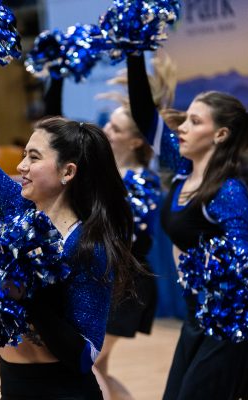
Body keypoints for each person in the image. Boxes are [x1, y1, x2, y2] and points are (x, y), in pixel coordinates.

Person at [0, 70, 138, 399]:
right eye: (24, 156)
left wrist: (30, 300)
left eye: (34, 157)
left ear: (68, 171)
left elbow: (84, 355)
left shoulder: (86, 244)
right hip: (14, 384)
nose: (21, 166)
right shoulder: (16, 207)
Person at [127, 52, 248, 400]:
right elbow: (144, 115)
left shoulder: (228, 192)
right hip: (196, 317)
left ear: (220, 134)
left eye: (195, 122)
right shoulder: (184, 170)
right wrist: (134, 48)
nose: (182, 127)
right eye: (184, 119)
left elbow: (242, 263)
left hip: (230, 325)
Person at [92, 56, 177, 400]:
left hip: (127, 285)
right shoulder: (103, 175)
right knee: (98, 368)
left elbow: (123, 237)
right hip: (104, 282)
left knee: (87, 367)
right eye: (108, 125)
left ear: (136, 141)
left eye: (115, 128)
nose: (107, 131)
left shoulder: (144, 182)